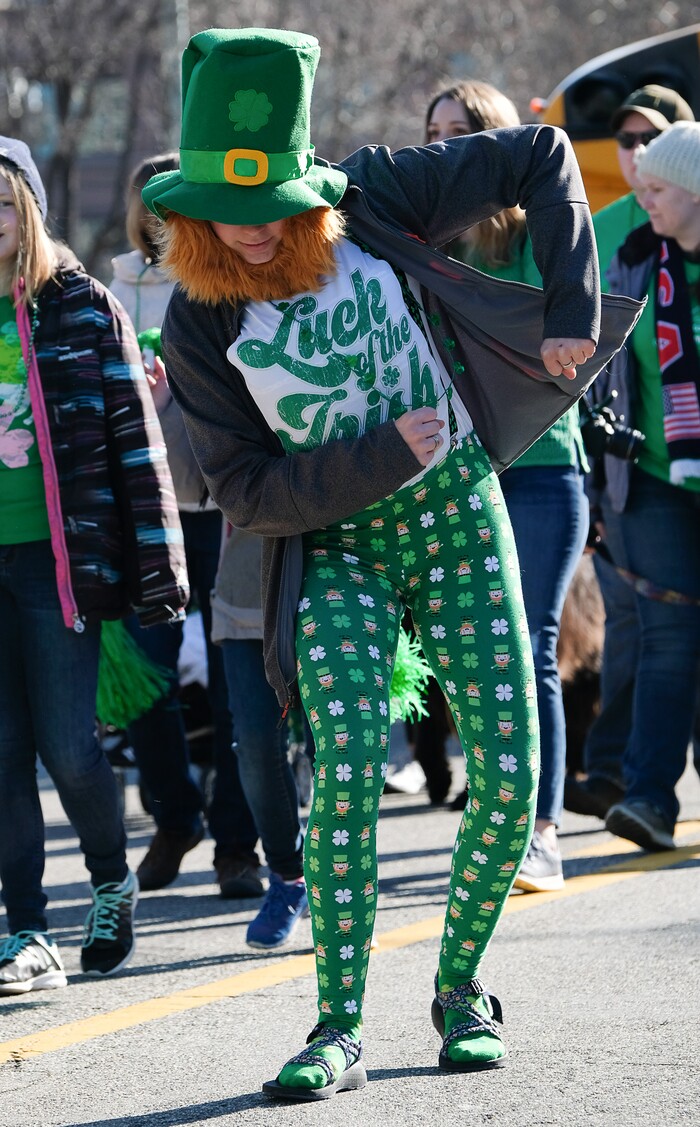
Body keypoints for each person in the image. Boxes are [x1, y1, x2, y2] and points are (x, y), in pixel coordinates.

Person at [142, 27, 635, 1099]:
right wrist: (376, 455)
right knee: (349, 769)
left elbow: (541, 157)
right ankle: (338, 1021)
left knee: (508, 778)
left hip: (458, 513)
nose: (255, 228)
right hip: (336, 549)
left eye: (276, 200)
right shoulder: (197, 317)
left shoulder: (371, 197)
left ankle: (460, 988)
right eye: (230, 206)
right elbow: (244, 494)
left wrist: (566, 312)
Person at [0, 138, 188, 994]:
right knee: (2, 755)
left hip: (55, 562)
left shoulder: (78, 304)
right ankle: (28, 929)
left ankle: (110, 881)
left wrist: (154, 568)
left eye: (3, 203)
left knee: (71, 749)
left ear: (31, 209)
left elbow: (135, 447)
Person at [424, 80, 590, 892]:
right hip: (461, 470)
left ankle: (543, 830)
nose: (444, 147)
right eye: (433, 132)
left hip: (546, 468)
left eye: (461, 132)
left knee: (531, 646)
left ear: (493, 141)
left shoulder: (538, 234)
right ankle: (497, 813)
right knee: (476, 655)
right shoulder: (424, 242)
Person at [110, 154, 263, 899]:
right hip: (152, 509)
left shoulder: (235, 271)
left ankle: (239, 842)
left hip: (233, 507)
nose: (167, 218)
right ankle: (175, 815)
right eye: (155, 204)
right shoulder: (112, 287)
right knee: (145, 676)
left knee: (241, 682)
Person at [565, 85, 696, 821]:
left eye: (655, 186)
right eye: (633, 168)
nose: (638, 189)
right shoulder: (630, 255)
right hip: (649, 476)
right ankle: (646, 796)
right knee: (666, 637)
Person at [210, 524, 307, 947]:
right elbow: (193, 486)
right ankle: (289, 876)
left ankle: (346, 888)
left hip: (344, 579)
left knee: (341, 748)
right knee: (253, 743)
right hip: (245, 589)